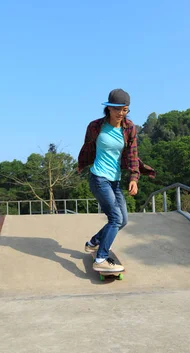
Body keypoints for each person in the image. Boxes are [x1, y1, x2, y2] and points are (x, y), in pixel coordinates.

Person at [77, 89, 155, 272]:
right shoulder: (95, 127)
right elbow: (88, 148)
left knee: (124, 220)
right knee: (115, 218)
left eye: (125, 109)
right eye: (117, 109)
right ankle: (101, 258)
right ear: (109, 109)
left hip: (115, 180)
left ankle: (94, 243)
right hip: (98, 177)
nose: (121, 113)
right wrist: (82, 165)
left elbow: (133, 155)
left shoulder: (129, 128)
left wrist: (134, 178)